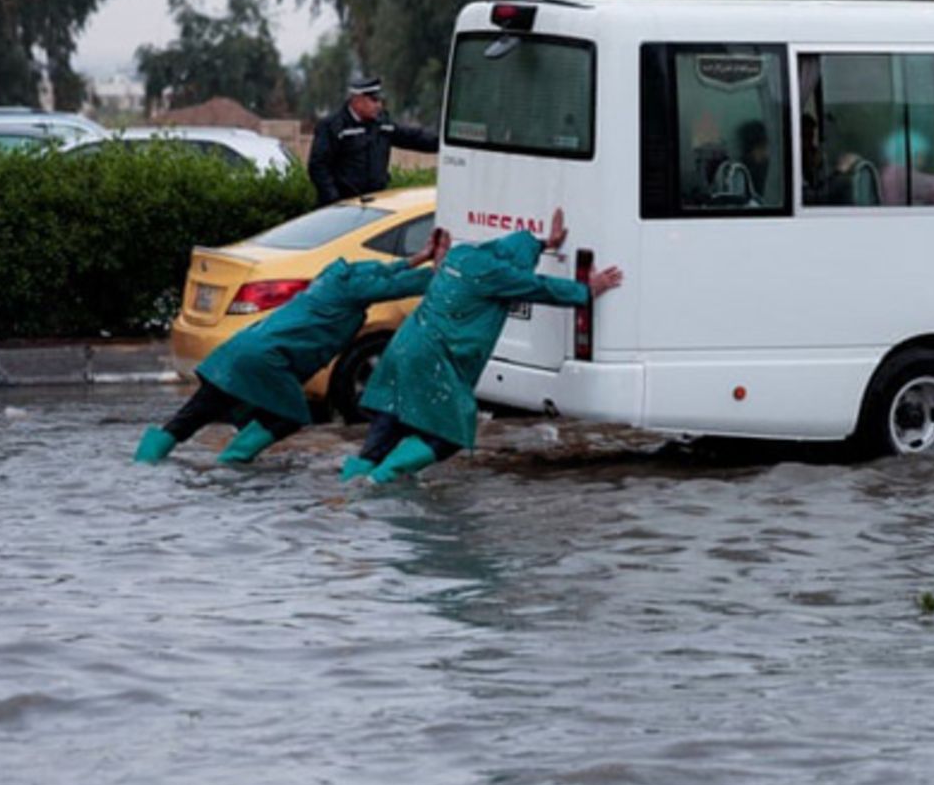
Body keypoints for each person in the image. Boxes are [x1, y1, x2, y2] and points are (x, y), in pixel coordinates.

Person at [346, 209, 624, 484]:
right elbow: (541, 287)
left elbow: (515, 252)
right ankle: (385, 477)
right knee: (452, 431)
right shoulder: (498, 274)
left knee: (392, 415)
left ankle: (352, 484)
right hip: (436, 356)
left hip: (403, 346)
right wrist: (587, 289)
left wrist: (544, 244)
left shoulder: (462, 255)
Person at [134, 228, 451, 465]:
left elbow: (382, 272)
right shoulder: (354, 290)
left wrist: (418, 258)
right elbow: (401, 284)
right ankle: (233, 462)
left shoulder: (336, 275)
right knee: (290, 415)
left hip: (238, 352)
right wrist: (442, 269)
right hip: (270, 361)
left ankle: (143, 464)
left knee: (193, 414)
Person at [308, 76, 440, 206]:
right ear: (357, 100)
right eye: (374, 100)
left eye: (380, 100)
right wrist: (334, 200)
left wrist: (443, 143)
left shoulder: (382, 124)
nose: (379, 105)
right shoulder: (334, 126)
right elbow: (318, 166)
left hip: (375, 205)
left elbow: (413, 137)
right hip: (344, 206)